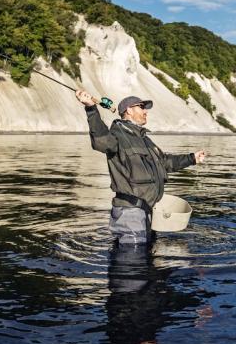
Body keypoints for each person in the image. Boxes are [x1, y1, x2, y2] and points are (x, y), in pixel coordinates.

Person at [75, 90, 205, 245]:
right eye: (141, 107)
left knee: (146, 260)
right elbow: (100, 141)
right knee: (132, 263)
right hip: (129, 214)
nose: (145, 111)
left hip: (148, 212)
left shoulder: (145, 140)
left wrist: (191, 159)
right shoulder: (117, 135)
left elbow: (165, 162)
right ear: (129, 110)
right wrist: (91, 109)